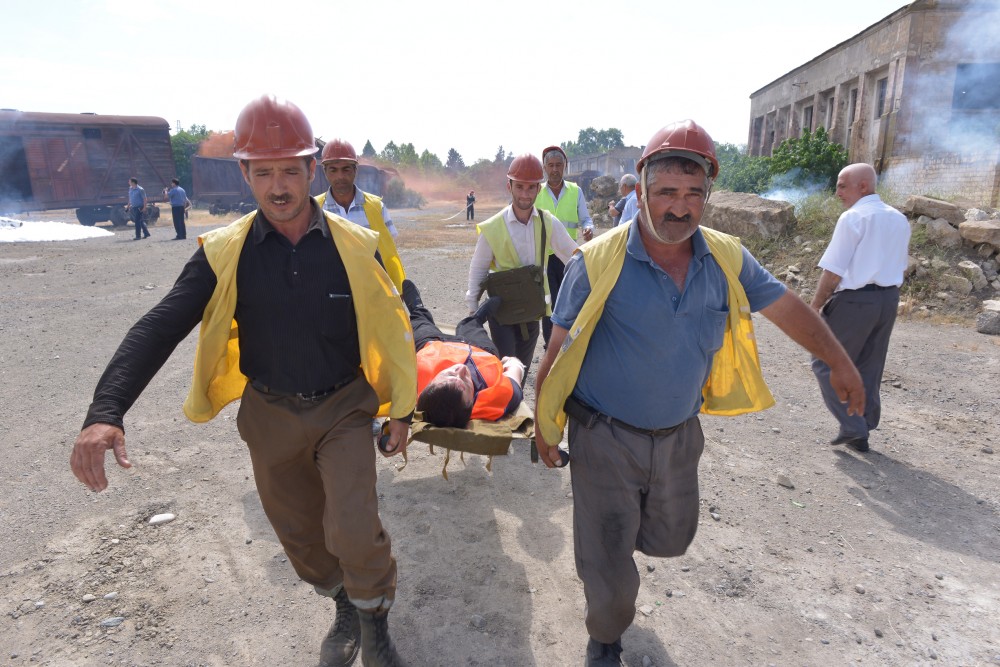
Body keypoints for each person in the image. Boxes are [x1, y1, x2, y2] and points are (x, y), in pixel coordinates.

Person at [70, 95, 416, 667]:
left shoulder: (357, 247)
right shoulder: (222, 254)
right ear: (245, 175)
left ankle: (375, 621)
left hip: (343, 408)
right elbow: (159, 326)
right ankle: (344, 604)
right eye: (263, 172)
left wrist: (401, 408)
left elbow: (396, 315)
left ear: (312, 170)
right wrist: (106, 411)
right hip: (270, 414)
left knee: (355, 527)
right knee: (301, 538)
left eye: (289, 171)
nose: (278, 186)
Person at [533, 120, 865, 666]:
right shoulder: (597, 262)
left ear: (708, 197)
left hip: (680, 436)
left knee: (672, 537)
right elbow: (557, 351)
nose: (679, 209)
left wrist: (839, 361)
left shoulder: (728, 258)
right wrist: (546, 427)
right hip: (603, 437)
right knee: (610, 566)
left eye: (693, 195)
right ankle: (606, 638)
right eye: (666, 193)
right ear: (641, 192)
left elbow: (788, 309)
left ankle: (620, 543)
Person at [810, 163, 910, 453]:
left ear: (862, 186)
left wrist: (815, 306)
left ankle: (852, 426)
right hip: (889, 299)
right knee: (869, 365)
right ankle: (863, 428)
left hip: (855, 301)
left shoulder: (853, 217)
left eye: (842, 185)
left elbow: (832, 271)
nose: (837, 191)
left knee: (824, 362)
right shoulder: (899, 218)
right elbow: (901, 264)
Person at [466, 153, 578, 373]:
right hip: (502, 314)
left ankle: (515, 405)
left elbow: (573, 257)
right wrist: (473, 310)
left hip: (532, 313)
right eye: (519, 187)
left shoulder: (548, 222)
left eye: (530, 188)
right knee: (506, 370)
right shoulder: (493, 227)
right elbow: (478, 268)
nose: (525, 194)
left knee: (523, 372)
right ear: (509, 187)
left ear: (538, 189)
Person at [404, 279, 524, 428]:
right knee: (469, 326)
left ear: (430, 385)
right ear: (470, 403)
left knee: (420, 323)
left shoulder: (411, 385)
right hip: (479, 352)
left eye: (450, 375)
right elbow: (515, 376)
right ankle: (478, 317)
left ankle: (417, 308)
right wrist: (513, 363)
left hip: (433, 346)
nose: (460, 369)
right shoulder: (497, 399)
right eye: (465, 381)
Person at [316, 138, 405, 292]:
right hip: (330, 293)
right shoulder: (314, 210)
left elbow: (389, 254)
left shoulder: (376, 207)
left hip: (371, 291)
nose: (340, 176)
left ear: (355, 170)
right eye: (333, 170)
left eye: (346, 169)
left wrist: (397, 291)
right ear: (324, 172)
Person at [534, 145, 594, 348]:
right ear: (544, 167)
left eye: (559, 165)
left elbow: (586, 219)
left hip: (569, 256)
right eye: (550, 165)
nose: (554, 169)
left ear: (565, 166)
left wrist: (588, 228)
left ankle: (568, 342)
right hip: (544, 256)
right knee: (548, 301)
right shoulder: (536, 192)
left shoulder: (576, 191)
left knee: (569, 298)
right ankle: (550, 344)